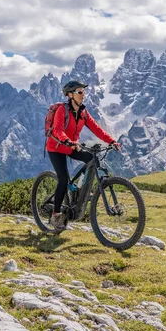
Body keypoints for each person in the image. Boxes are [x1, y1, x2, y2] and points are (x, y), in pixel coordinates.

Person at [46, 80, 121, 230]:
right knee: (62, 180)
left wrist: (112, 141)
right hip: (56, 147)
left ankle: (79, 190)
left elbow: (96, 129)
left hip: (72, 146)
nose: (83, 95)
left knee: (91, 159)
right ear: (70, 94)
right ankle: (55, 214)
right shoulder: (62, 110)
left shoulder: (83, 112)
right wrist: (66, 140)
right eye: (79, 92)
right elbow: (57, 130)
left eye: (84, 92)